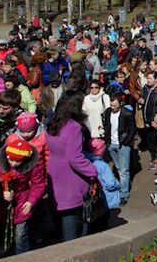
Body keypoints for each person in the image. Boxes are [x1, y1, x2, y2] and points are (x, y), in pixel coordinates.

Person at [45, 94, 98, 241]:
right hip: (70, 178)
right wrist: (92, 171)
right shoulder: (74, 127)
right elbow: (74, 157)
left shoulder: (53, 123)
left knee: (59, 223)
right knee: (71, 230)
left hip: (55, 173)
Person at [0, 137, 46, 254]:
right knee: (3, 228)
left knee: (21, 234)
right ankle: (5, 247)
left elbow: (38, 184)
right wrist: (2, 193)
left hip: (22, 201)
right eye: (11, 160)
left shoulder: (32, 166)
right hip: (4, 205)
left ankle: (22, 254)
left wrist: (31, 201)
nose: (14, 163)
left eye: (18, 161)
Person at [102, 92, 135, 205]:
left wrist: (126, 142)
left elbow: (132, 130)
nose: (112, 108)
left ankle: (124, 194)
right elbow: (107, 126)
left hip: (122, 145)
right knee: (118, 168)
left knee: (124, 171)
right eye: (111, 105)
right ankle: (124, 184)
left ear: (120, 103)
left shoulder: (127, 114)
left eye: (114, 106)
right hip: (111, 144)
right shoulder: (107, 112)